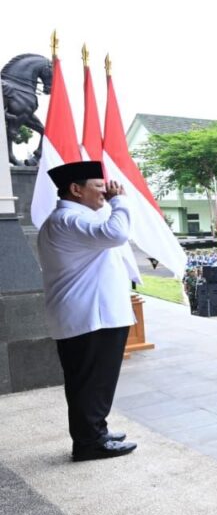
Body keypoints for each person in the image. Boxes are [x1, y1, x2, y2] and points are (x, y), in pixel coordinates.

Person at [36, 161, 137, 461]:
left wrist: (110, 204)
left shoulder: (75, 218)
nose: (105, 191)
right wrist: (120, 201)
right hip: (89, 317)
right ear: (76, 189)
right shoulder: (67, 220)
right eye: (98, 186)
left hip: (93, 316)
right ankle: (89, 442)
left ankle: (96, 431)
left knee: (96, 381)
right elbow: (115, 234)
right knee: (90, 381)